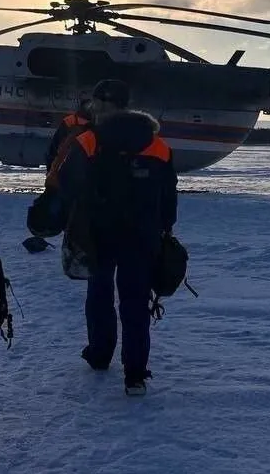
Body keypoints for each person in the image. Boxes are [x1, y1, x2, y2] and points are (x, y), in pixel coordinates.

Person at [50, 78, 177, 395]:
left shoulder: (89, 140)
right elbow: (169, 196)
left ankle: (99, 354)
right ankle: (135, 375)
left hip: (99, 234)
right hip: (142, 238)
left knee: (100, 294)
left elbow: (64, 182)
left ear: (102, 105)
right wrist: (163, 229)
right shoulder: (158, 146)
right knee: (135, 303)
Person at [45, 98, 92, 169]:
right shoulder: (95, 124)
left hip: (69, 162)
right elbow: (56, 143)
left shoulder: (70, 120)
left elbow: (55, 144)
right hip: (75, 162)